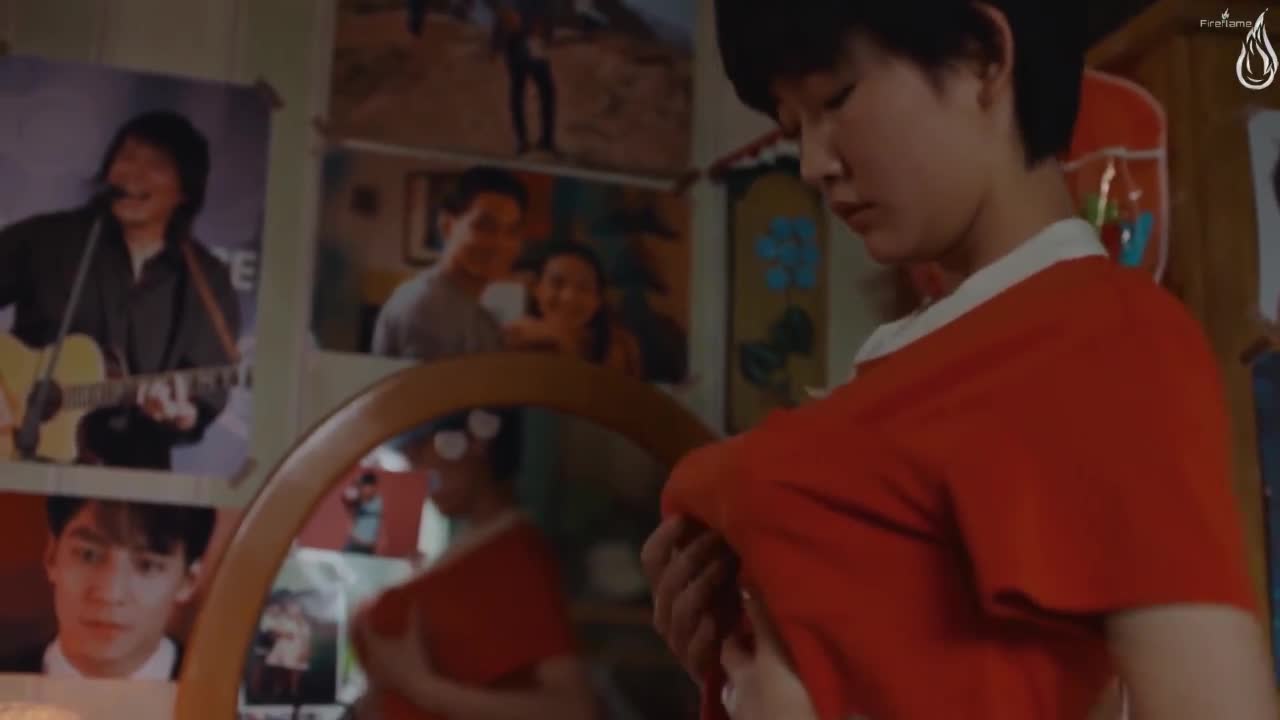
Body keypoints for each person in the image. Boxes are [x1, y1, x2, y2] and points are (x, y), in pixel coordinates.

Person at [640, 2, 1276, 720]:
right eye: (793, 128)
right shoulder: (928, 354)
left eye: (835, 99)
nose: (814, 164)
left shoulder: (1100, 336)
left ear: (982, 57)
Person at [0, 110, 241, 470]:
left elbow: (206, 391)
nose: (133, 174)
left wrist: (183, 414)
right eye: (126, 157)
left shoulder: (208, 279)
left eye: (156, 164)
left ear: (184, 190)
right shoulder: (47, 239)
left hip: (131, 478)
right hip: (21, 465)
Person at [352, 407, 598, 720]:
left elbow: (574, 710)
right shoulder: (476, 545)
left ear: (476, 444)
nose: (418, 471)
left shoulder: (516, 557)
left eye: (420, 450)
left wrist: (423, 688)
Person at [0, 496, 215, 680]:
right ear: (51, 557)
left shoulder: (223, 693)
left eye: (147, 566)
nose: (110, 594)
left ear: (188, 581)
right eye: (88, 555)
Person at [372, 167, 527, 361]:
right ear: (446, 225)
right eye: (485, 226)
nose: (500, 243)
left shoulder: (474, 311)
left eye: (512, 231)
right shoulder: (428, 306)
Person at [504, 243, 644, 377]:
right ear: (537, 289)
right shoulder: (516, 337)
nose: (569, 297)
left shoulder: (619, 347)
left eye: (584, 288)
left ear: (598, 301)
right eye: (557, 283)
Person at [491, 0, 559, 155]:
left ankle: (539, 140)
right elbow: (504, 12)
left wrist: (495, 43)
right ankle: (530, 140)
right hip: (520, 41)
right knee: (523, 90)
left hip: (528, 41)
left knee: (539, 90)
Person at [264, 597, 313, 702]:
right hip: (282, 647)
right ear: (287, 610)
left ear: (300, 610)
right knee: (279, 668)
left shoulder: (303, 623)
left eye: (296, 608)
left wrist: (306, 650)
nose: (293, 611)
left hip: (297, 647)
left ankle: (293, 690)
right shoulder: (282, 620)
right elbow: (272, 632)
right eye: (290, 608)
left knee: (296, 669)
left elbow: (306, 638)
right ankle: (278, 688)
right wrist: (283, 634)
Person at [343, 472, 385, 555]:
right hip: (355, 544)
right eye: (365, 486)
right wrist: (356, 483)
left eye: (371, 487)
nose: (368, 490)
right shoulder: (356, 499)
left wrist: (382, 539)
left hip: (369, 546)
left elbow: (380, 521)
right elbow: (346, 496)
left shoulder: (378, 501)